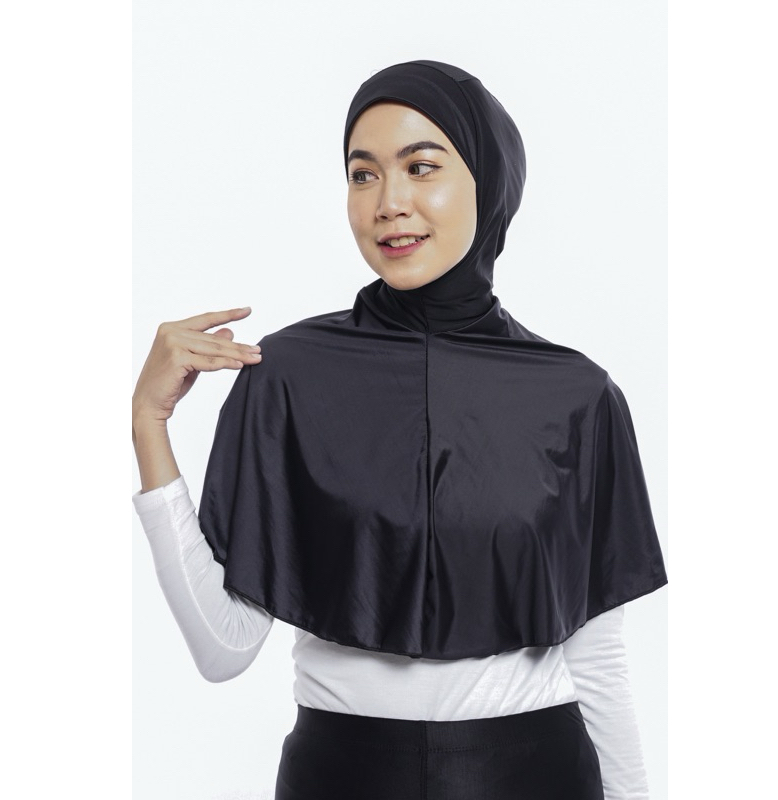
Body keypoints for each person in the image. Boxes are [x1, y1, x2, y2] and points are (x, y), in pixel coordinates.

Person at [132, 60, 667, 800]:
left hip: (533, 774)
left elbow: (597, 655)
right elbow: (225, 649)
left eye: (422, 167)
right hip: (339, 776)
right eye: (363, 175)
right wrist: (149, 425)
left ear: (489, 181)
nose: (389, 203)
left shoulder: (577, 395)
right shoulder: (286, 375)